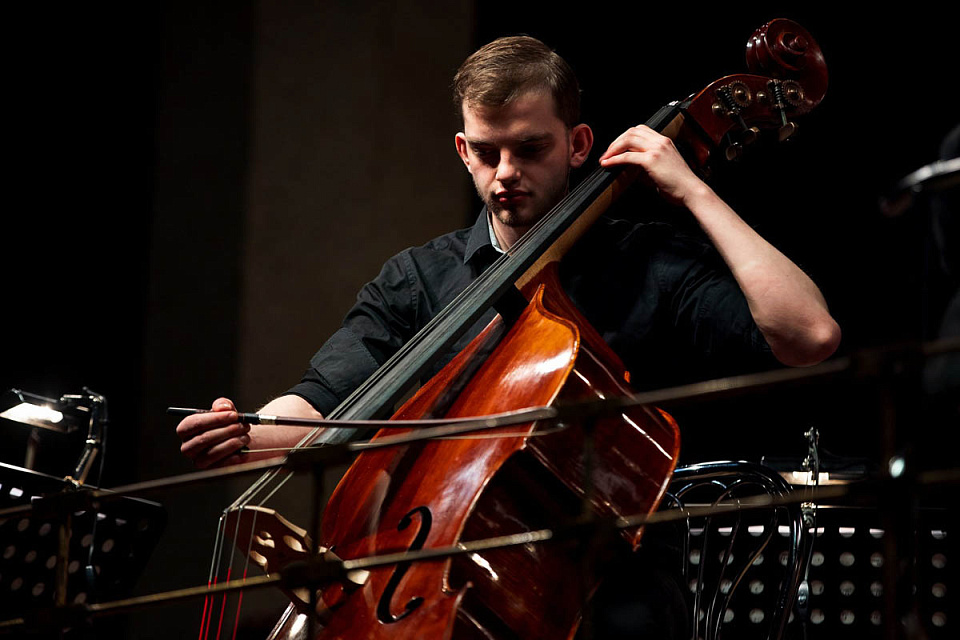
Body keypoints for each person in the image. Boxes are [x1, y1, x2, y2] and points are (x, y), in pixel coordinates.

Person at [176, 36, 841, 637]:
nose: (505, 174)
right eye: (487, 152)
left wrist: (693, 190)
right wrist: (248, 433)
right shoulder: (418, 279)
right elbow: (321, 405)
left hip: (610, 599)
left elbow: (808, 335)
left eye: (529, 149)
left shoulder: (647, 263)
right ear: (463, 151)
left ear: (578, 145)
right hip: (440, 599)